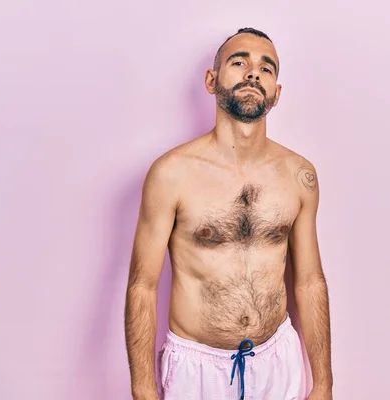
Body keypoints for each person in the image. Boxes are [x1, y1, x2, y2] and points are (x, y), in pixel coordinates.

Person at [124, 27, 333, 400]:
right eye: (239, 62)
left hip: (277, 362)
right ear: (211, 79)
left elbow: (309, 281)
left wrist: (324, 383)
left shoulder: (300, 176)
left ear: (276, 93)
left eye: (266, 68)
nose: (253, 73)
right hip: (197, 369)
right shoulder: (172, 173)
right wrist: (143, 389)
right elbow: (143, 286)